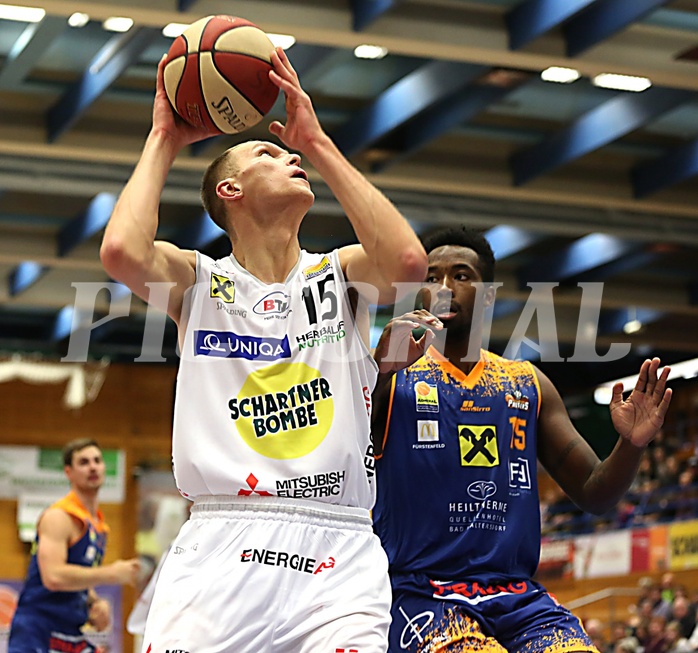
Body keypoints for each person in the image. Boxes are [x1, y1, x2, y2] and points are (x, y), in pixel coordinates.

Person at [99, 43, 427, 653]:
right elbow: (120, 252)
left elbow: (408, 263)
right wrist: (164, 138)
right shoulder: (196, 279)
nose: (290, 156)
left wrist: (320, 144)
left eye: (289, 150)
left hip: (339, 551)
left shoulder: (341, 274)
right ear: (230, 189)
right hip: (224, 543)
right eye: (268, 152)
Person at [371, 225, 673, 653]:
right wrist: (379, 371)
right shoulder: (390, 375)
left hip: (517, 596)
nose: (443, 288)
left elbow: (595, 492)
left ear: (489, 294)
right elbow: (342, 455)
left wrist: (631, 444)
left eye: (460, 275)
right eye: (431, 277)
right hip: (422, 595)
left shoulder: (528, 383)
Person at [8, 438, 140, 653]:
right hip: (38, 630)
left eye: (97, 460)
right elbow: (54, 577)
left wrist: (95, 602)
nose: (92, 467)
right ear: (69, 472)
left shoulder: (98, 525)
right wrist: (112, 574)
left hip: (69, 630)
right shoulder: (58, 517)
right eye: (84, 462)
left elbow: (80, 577)